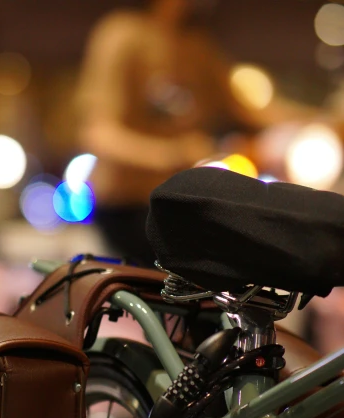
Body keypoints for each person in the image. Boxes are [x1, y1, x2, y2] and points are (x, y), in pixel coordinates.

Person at [74, 0, 300, 265]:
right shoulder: (122, 35)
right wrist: (173, 153)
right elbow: (98, 133)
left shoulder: (197, 45)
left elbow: (244, 107)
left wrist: (319, 119)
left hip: (179, 204)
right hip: (128, 205)